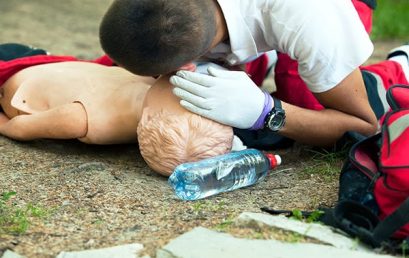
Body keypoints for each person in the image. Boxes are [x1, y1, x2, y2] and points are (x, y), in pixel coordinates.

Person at [99, 0, 408, 148]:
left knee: (307, 108)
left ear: (186, 68)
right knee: (138, 48)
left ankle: (399, 66)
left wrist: (267, 112)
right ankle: (265, 57)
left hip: (319, 15)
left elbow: (364, 126)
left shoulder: (312, 23)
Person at [0, 60, 234, 175]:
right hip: (70, 71)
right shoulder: (158, 102)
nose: (191, 91)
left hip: (21, 86)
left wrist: (8, 126)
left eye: (184, 100)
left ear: (149, 116)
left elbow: (26, 128)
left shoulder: (92, 119)